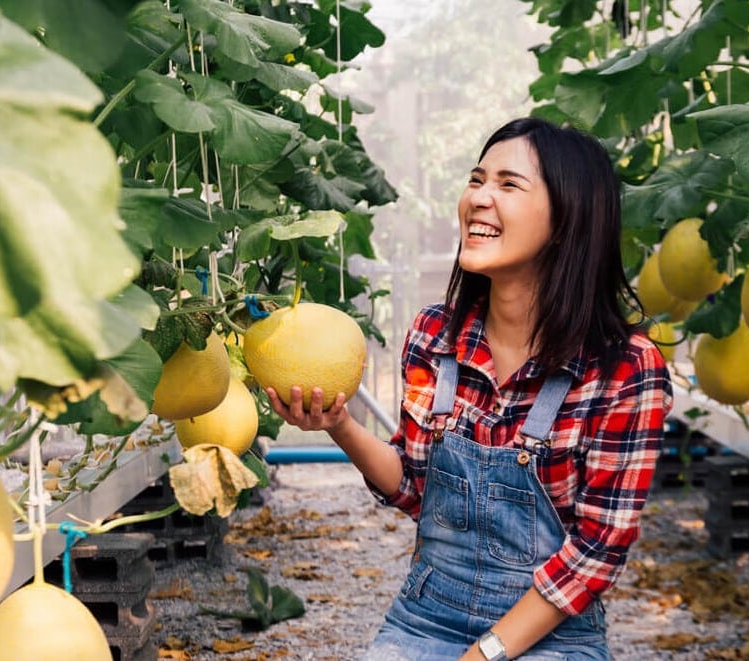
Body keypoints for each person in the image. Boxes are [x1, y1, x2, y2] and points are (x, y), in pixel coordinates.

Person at [266, 116, 673, 660]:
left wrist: (484, 654)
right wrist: (340, 425)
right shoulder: (435, 336)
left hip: (551, 633)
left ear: (568, 218)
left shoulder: (624, 368)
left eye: (509, 185)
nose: (479, 198)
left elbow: (597, 551)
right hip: (426, 617)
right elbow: (413, 487)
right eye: (477, 179)